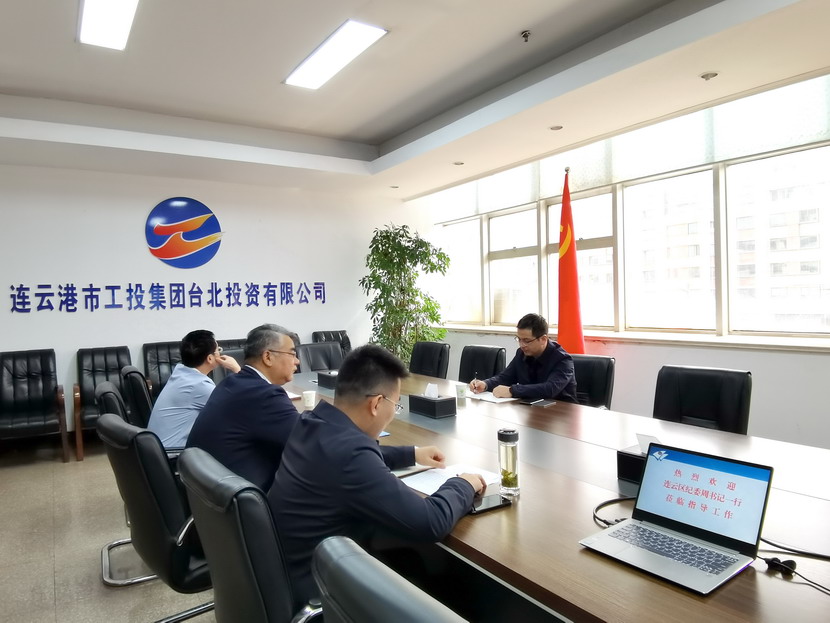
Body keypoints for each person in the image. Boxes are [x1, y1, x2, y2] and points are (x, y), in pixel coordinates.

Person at [268, 344, 486, 604]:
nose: (394, 413)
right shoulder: (351, 456)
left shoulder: (311, 422)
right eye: (396, 404)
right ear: (376, 404)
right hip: (323, 590)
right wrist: (463, 483)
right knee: (451, 588)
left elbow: (356, 457)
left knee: (410, 560)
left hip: (287, 571)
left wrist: (411, 454)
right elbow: (430, 522)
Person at [186, 323, 301, 491]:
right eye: (292, 354)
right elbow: (307, 441)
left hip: (207, 493)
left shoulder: (231, 382)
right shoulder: (265, 395)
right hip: (240, 498)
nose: (297, 361)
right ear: (268, 357)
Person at [146, 329, 241, 448]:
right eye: (218, 350)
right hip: (173, 454)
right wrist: (237, 369)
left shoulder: (181, 373)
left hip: (158, 449)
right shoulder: (199, 385)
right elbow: (236, 409)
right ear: (210, 358)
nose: (220, 353)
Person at [469, 313, 577, 402]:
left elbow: (550, 389)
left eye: (527, 340)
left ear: (543, 339)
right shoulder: (521, 353)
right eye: (519, 339)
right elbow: (505, 377)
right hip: (531, 408)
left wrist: (512, 391)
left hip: (561, 411)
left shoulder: (563, 360)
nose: (522, 345)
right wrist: (485, 384)